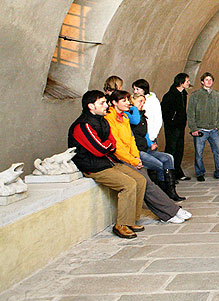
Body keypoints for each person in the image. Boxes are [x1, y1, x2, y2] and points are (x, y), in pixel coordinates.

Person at [68, 90, 147, 239]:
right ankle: (121, 224)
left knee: (140, 180)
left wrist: (108, 145)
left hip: (107, 161)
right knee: (128, 184)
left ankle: (131, 220)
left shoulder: (102, 120)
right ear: (91, 106)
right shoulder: (83, 126)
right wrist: (108, 145)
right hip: (93, 167)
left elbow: (112, 143)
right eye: (102, 103)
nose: (106, 105)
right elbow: (100, 149)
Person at [105, 90, 191, 224]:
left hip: (131, 157)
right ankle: (170, 212)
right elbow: (117, 146)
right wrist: (133, 160)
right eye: (124, 101)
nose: (128, 103)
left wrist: (136, 157)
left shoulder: (124, 117)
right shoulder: (110, 119)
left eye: (129, 100)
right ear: (114, 103)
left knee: (147, 181)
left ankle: (169, 211)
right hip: (120, 159)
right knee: (145, 182)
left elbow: (131, 140)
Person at [130, 93, 185, 201]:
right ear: (132, 101)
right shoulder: (130, 115)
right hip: (137, 151)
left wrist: (151, 144)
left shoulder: (142, 117)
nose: (142, 104)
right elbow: (135, 120)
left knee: (168, 158)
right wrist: (134, 108)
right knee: (159, 165)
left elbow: (145, 134)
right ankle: (161, 193)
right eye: (140, 101)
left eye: (144, 102)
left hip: (146, 148)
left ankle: (171, 191)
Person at [187, 72, 219, 181]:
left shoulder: (217, 95)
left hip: (213, 130)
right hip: (201, 129)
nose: (209, 81)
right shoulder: (195, 95)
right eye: (206, 80)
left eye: (210, 79)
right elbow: (191, 112)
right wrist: (193, 128)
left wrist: (218, 125)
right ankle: (200, 173)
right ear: (202, 82)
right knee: (199, 152)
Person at [162, 73, 191, 181]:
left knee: (179, 149)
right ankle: (169, 174)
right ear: (181, 82)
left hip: (180, 126)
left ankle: (177, 171)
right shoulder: (170, 95)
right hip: (172, 127)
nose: (188, 83)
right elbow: (165, 112)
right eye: (187, 81)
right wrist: (172, 122)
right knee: (171, 150)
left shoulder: (183, 94)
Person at [131, 78, 163, 145]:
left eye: (137, 89)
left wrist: (153, 135)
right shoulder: (134, 100)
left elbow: (158, 118)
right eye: (134, 89)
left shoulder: (153, 101)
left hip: (150, 135)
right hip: (140, 136)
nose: (135, 91)